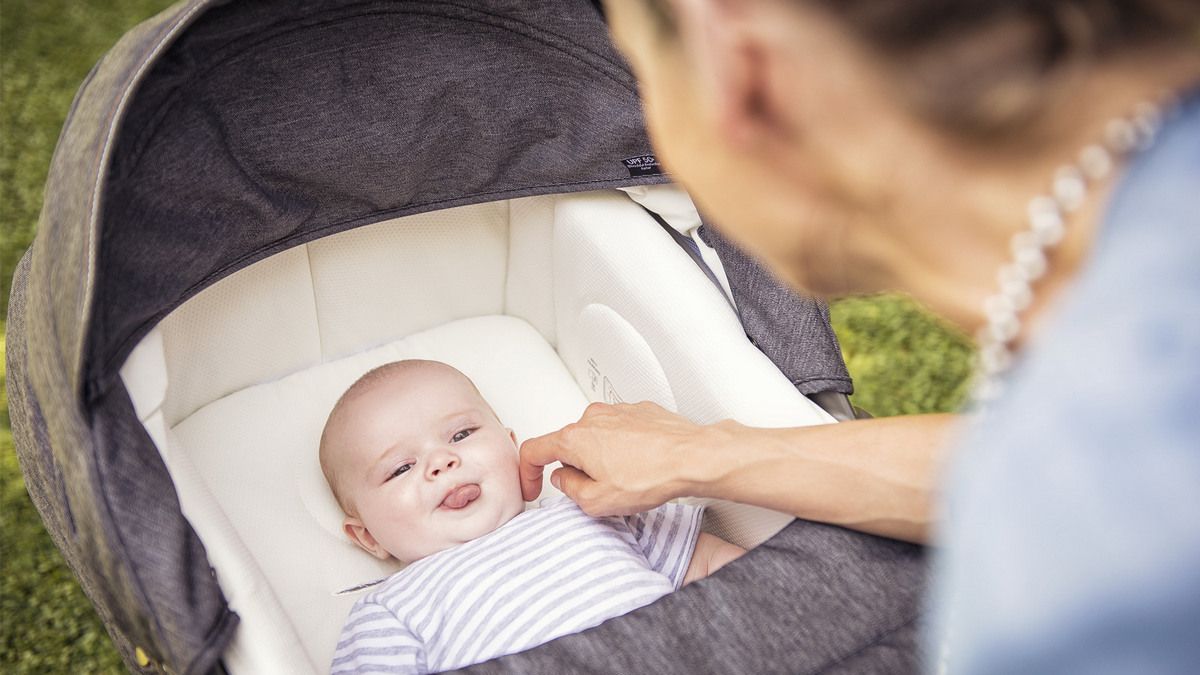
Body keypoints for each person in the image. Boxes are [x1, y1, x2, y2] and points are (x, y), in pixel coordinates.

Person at [519, 1, 1200, 672]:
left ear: (735, 57)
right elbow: (1027, 455)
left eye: (641, 73)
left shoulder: (1088, 578)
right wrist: (710, 451)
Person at [319, 360, 744, 674]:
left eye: (461, 435)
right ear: (367, 537)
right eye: (401, 468)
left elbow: (712, 566)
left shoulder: (593, 506)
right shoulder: (389, 610)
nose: (442, 461)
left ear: (511, 445)